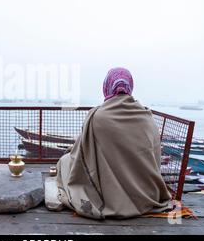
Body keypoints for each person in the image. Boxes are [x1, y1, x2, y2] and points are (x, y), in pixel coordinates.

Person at [56, 67, 172, 219]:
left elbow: (81, 154)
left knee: (65, 162)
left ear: (107, 86)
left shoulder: (97, 116)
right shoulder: (147, 117)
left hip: (108, 195)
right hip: (148, 194)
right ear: (130, 86)